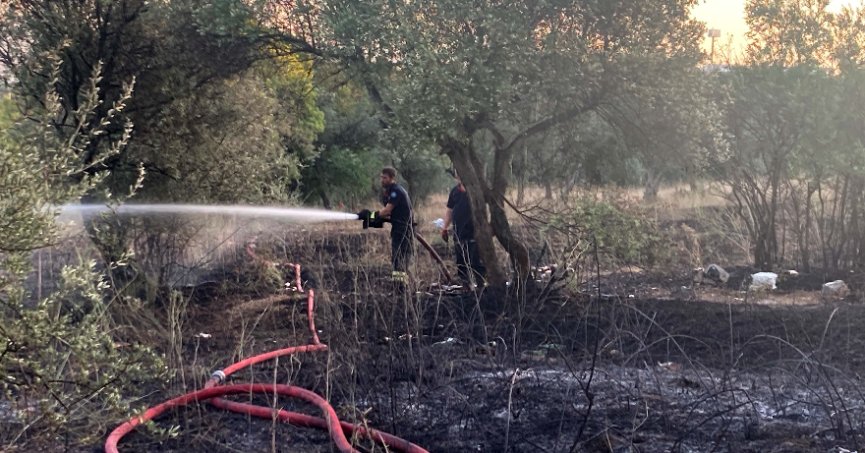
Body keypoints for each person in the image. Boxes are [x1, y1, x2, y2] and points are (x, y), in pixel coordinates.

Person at [441, 172, 486, 287]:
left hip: (474, 233)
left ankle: (481, 286)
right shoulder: (454, 191)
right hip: (458, 232)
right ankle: (466, 287)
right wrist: (444, 227)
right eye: (457, 174)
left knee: (476, 261)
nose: (459, 176)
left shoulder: (475, 190)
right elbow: (449, 210)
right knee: (461, 263)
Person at [377, 166, 414, 283]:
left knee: (399, 259)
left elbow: (387, 211)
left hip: (403, 230)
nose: (382, 180)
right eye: (381, 177)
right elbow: (388, 214)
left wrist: (371, 216)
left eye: (385, 178)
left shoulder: (396, 191)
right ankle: (402, 285)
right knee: (398, 259)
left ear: (392, 178)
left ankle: (402, 287)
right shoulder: (390, 192)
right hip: (398, 229)